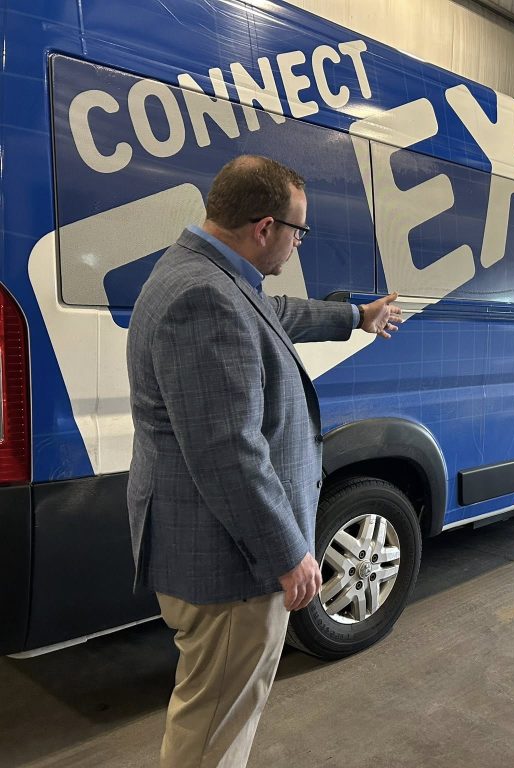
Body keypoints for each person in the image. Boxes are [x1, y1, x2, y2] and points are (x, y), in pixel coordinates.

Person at [126, 155, 401, 767]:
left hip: (218, 548)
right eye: (298, 231)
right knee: (213, 731)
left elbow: (275, 315)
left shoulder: (205, 273)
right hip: (231, 565)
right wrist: (287, 552)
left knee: (212, 716)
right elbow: (228, 452)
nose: (299, 243)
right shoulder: (205, 297)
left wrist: (357, 317)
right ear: (264, 227)